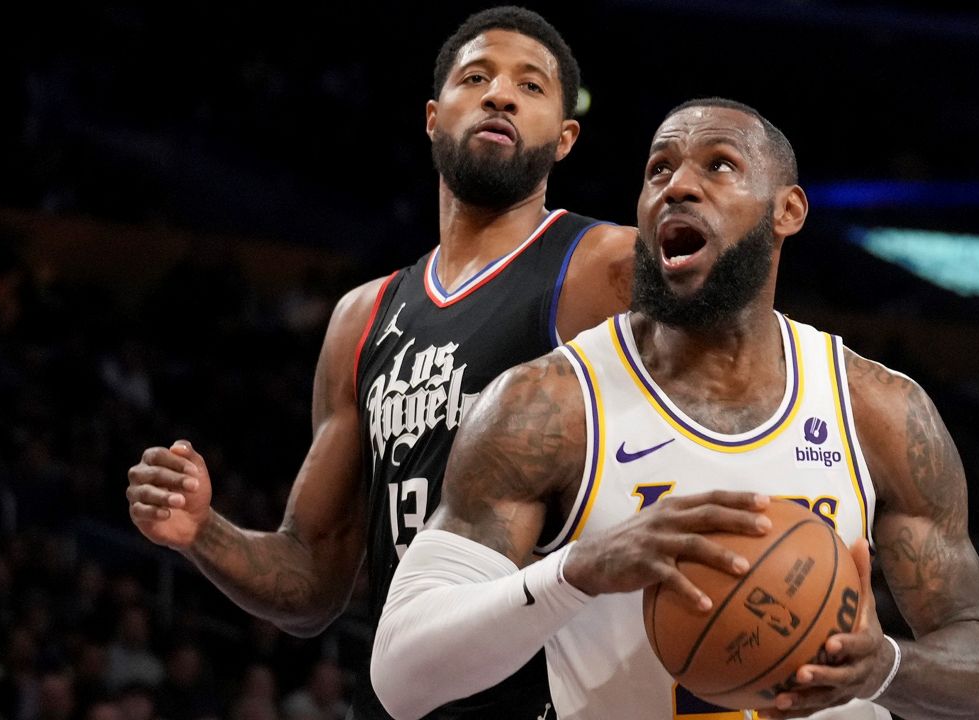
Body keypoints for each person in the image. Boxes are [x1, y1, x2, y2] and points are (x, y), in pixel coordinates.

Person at [370, 98, 979, 720]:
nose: (677, 187)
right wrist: (575, 572)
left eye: (719, 165)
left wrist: (885, 668)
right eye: (658, 170)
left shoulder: (881, 410)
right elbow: (401, 677)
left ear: (787, 210)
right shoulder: (547, 406)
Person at [124, 7, 635, 720]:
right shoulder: (362, 318)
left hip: (554, 699)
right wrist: (202, 530)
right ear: (433, 116)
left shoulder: (605, 267)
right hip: (404, 698)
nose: (500, 96)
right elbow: (312, 581)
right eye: (477, 77)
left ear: (565, 138)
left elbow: (742, 379)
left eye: (531, 86)